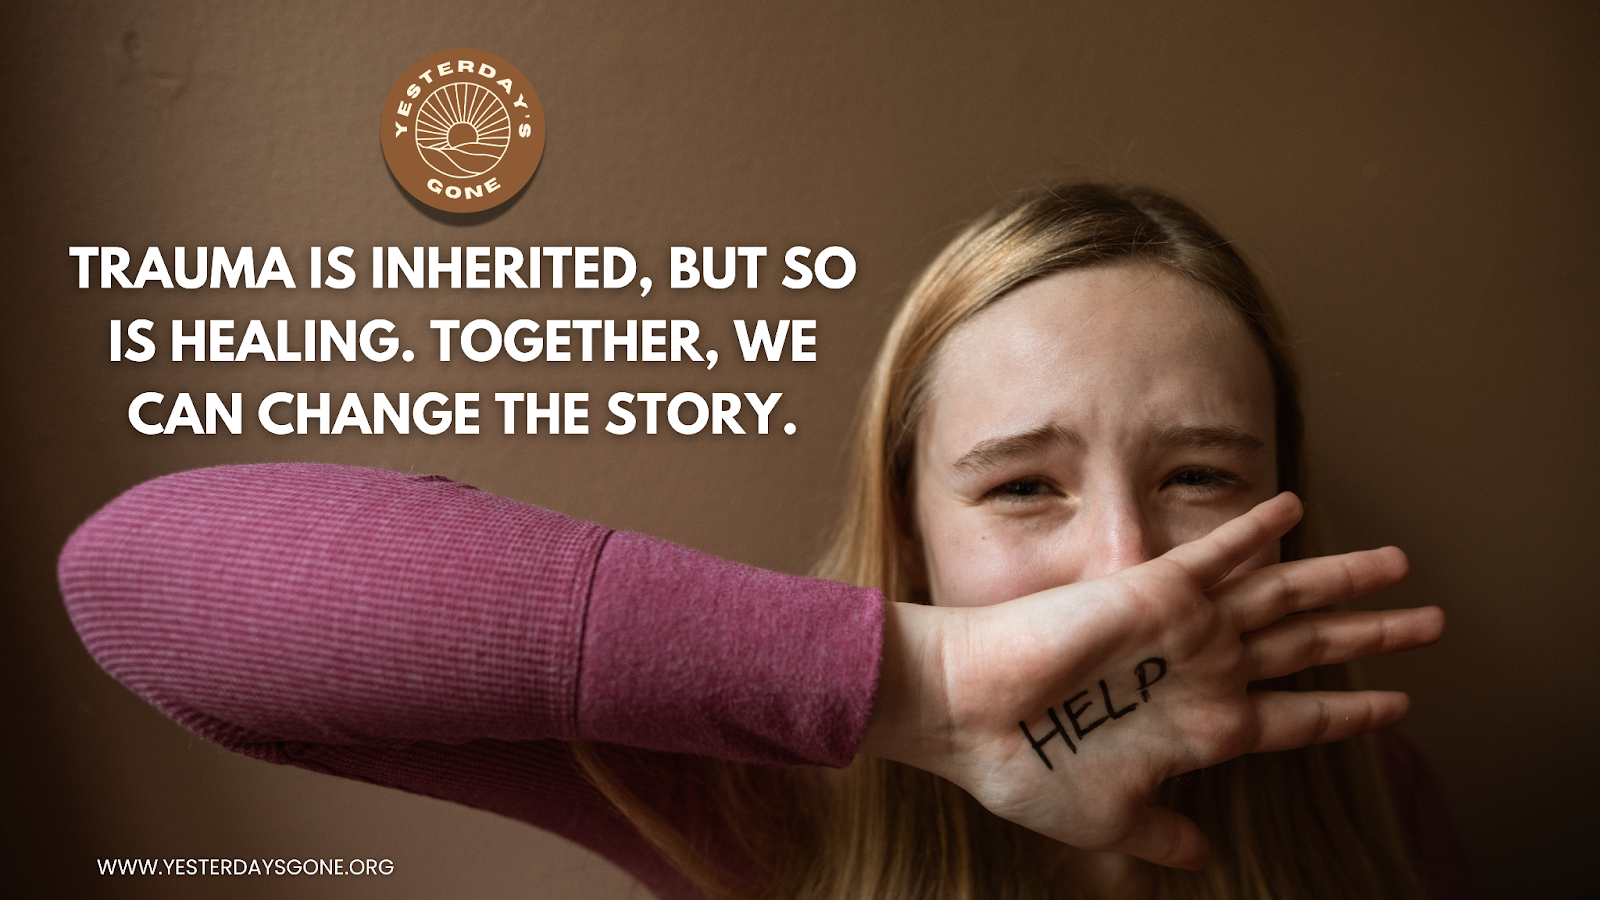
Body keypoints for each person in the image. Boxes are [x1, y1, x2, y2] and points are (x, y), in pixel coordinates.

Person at [59, 183, 1462, 900]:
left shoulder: (1374, 806)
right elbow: (133, 581)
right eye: (1023, 488)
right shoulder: (779, 803)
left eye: (1204, 474)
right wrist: (928, 692)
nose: (1125, 561)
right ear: (910, 527)